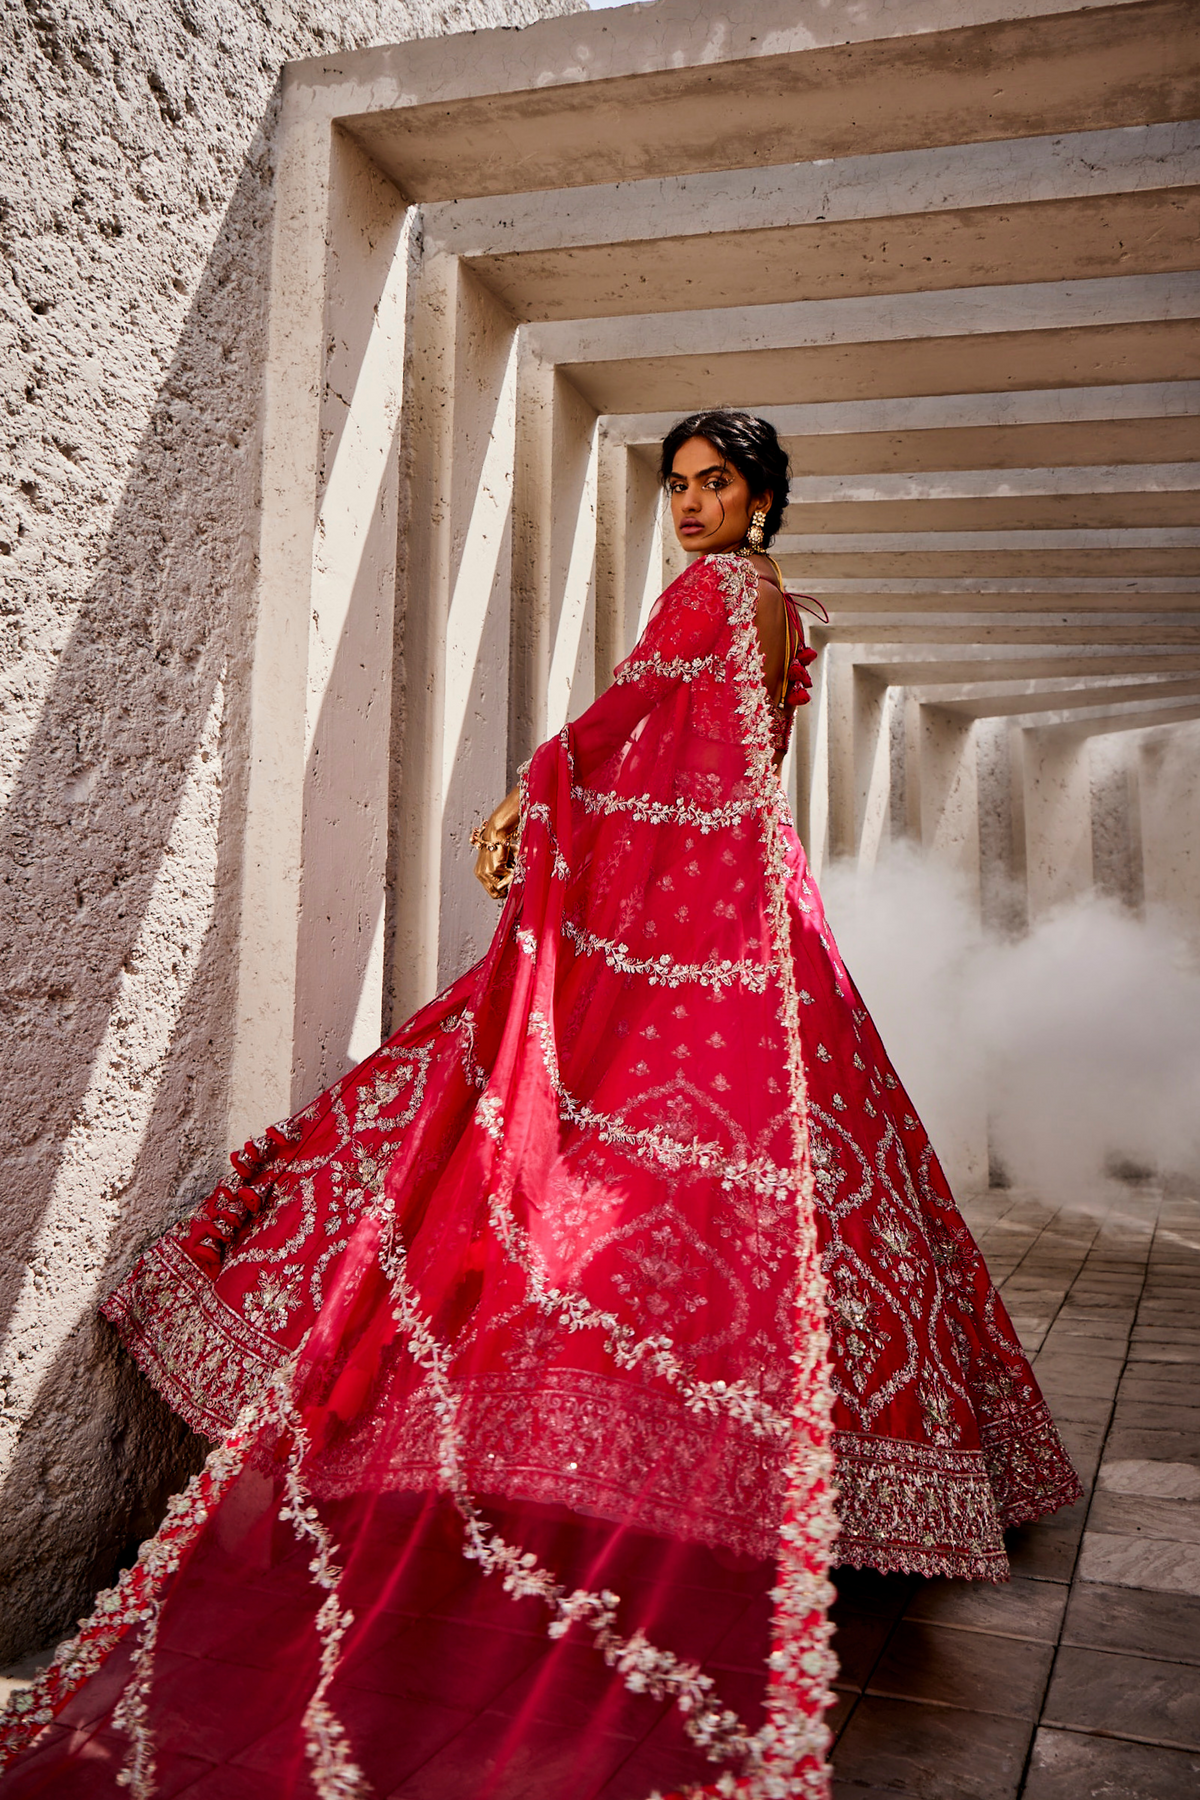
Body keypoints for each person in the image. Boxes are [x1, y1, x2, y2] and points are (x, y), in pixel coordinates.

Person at [0, 411, 1078, 1800]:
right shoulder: (795, 618)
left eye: (715, 484)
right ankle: (869, 1471)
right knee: (805, 1166)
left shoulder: (713, 594)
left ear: (761, 496)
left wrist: (534, 794)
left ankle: (557, 1450)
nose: (690, 506)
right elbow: (724, 768)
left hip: (686, 924)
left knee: (528, 1137)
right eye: (678, 486)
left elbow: (618, 731)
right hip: (764, 911)